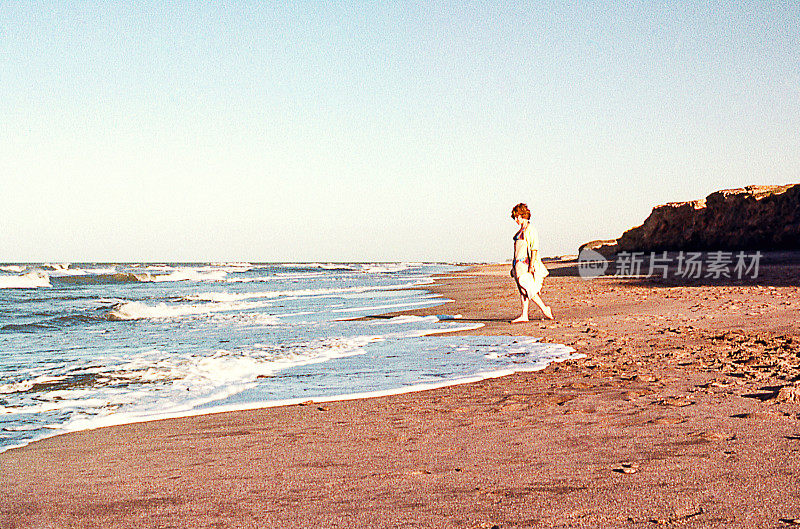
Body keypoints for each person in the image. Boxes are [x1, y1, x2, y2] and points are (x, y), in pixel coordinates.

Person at [510, 203, 554, 322]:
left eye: (517, 217)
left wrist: (532, 265)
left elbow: (534, 249)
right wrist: (513, 267)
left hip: (525, 264)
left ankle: (545, 309)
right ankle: (524, 315)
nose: (515, 219)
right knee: (522, 290)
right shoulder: (521, 230)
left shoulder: (530, 229)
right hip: (517, 265)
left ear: (523, 215)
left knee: (527, 287)